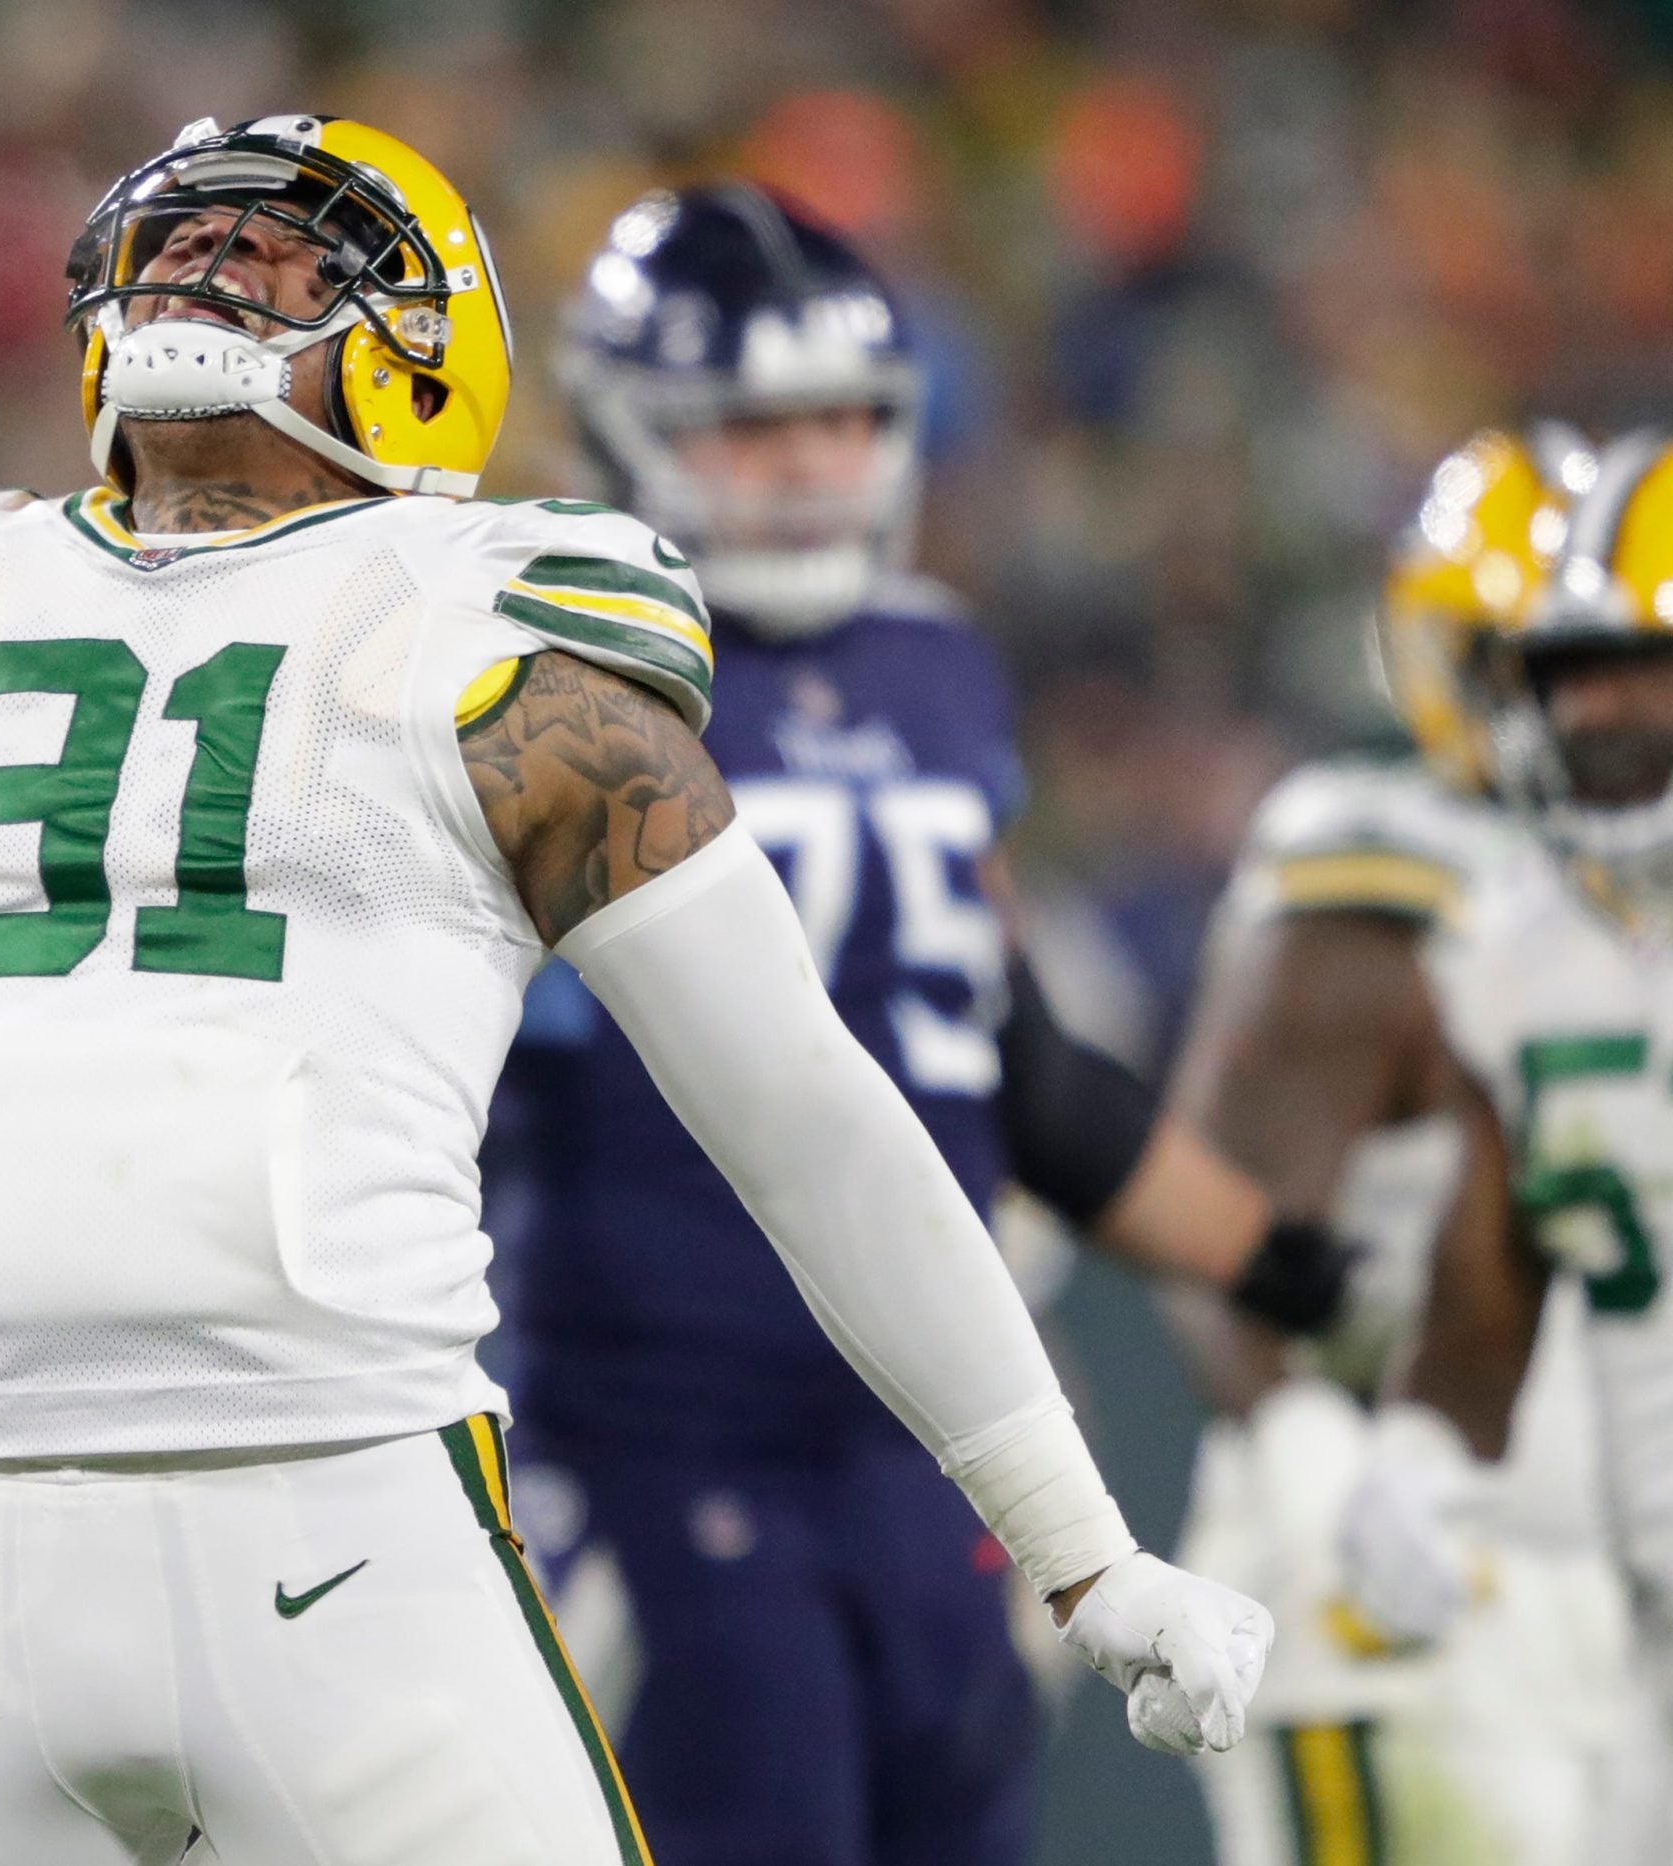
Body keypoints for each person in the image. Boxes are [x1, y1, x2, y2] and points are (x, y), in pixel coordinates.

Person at [0, 117, 1272, 1866]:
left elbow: (815, 1122)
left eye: (277, 245)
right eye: (178, 232)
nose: (205, 263)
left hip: (345, 1515)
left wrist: (1077, 1546)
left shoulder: (517, 641)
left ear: (421, 352)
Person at [491, 182, 1338, 1866]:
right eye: (751, 429)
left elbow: (1002, 1055)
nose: (807, 467)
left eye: (837, 421)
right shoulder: (549, 670)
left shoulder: (938, 668)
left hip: (934, 1445)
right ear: (631, 428)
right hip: (657, 1434)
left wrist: (1298, 1274)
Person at [1160, 424, 1639, 1864]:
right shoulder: (1375, 871)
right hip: (1392, 1539)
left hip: (1588, 1550)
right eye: (1535, 663)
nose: (1592, 710)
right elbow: (1211, 1222)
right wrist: (1320, 1471)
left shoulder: (1628, 900)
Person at [1318, 427, 1673, 1856]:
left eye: (1637, 669)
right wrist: (1414, 1446)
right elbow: (1495, 1262)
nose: (1595, 716)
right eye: (1562, 674)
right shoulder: (1515, 954)